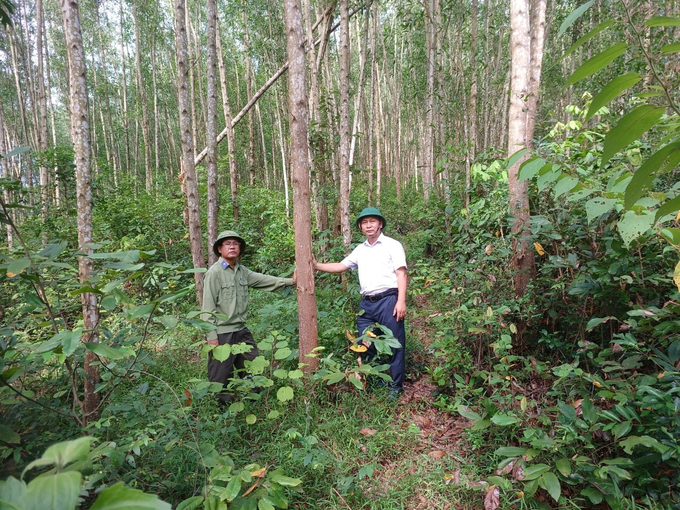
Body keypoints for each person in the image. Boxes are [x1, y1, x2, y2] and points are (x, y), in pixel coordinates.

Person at [313, 207, 407, 394]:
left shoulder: (392, 245)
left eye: (372, 221)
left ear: (380, 224)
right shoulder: (360, 249)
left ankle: (396, 386)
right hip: (367, 304)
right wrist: (316, 265)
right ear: (360, 227)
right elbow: (341, 266)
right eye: (364, 222)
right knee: (365, 343)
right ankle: (371, 380)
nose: (369, 225)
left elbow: (401, 273)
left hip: (389, 299)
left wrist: (401, 301)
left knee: (395, 343)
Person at [201, 230, 296, 404]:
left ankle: (254, 403)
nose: (232, 246)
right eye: (227, 243)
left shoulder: (242, 271)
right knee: (220, 375)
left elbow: (264, 280)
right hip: (222, 333)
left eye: (235, 244)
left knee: (253, 366)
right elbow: (207, 308)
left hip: (241, 331)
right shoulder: (214, 273)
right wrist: (211, 337)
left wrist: (291, 281)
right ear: (220, 249)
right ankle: (221, 412)